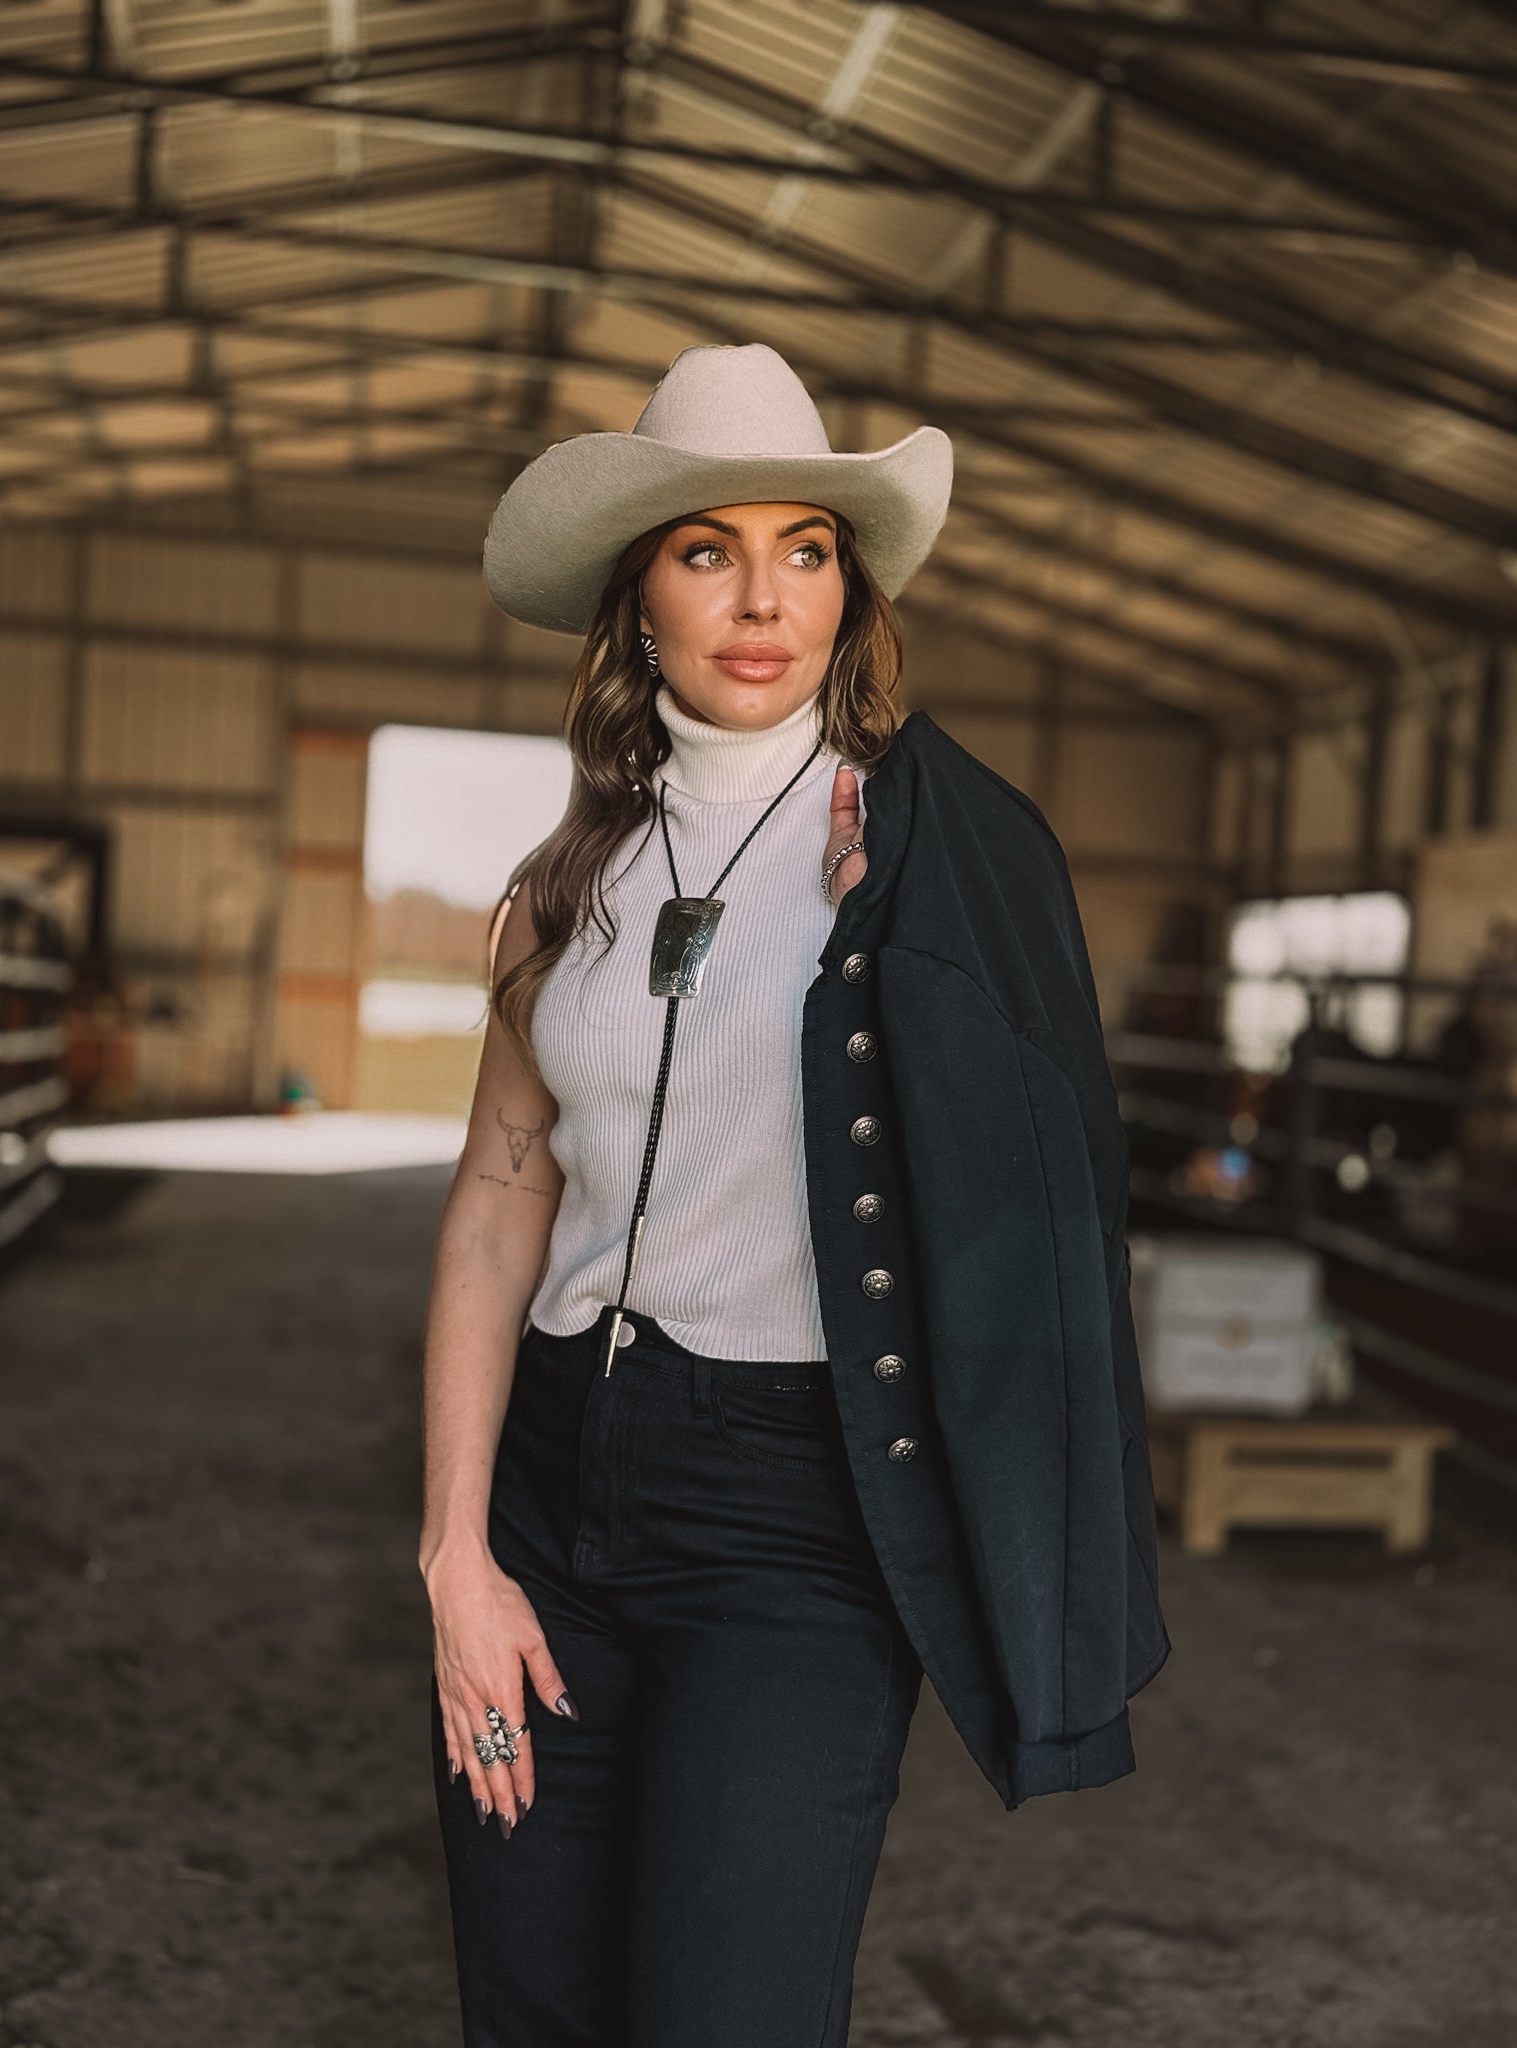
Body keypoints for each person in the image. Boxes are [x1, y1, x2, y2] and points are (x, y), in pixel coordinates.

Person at [419, 343, 1170, 2048]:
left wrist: (897, 956)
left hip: (799, 1517)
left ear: (852, 588)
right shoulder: (563, 887)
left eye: (806, 548)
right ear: (639, 603)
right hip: (553, 1482)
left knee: (724, 2014)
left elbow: (1045, 1210)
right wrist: (457, 1549)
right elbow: (497, 1194)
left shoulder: (942, 855)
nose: (761, 596)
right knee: (531, 2000)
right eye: (706, 550)